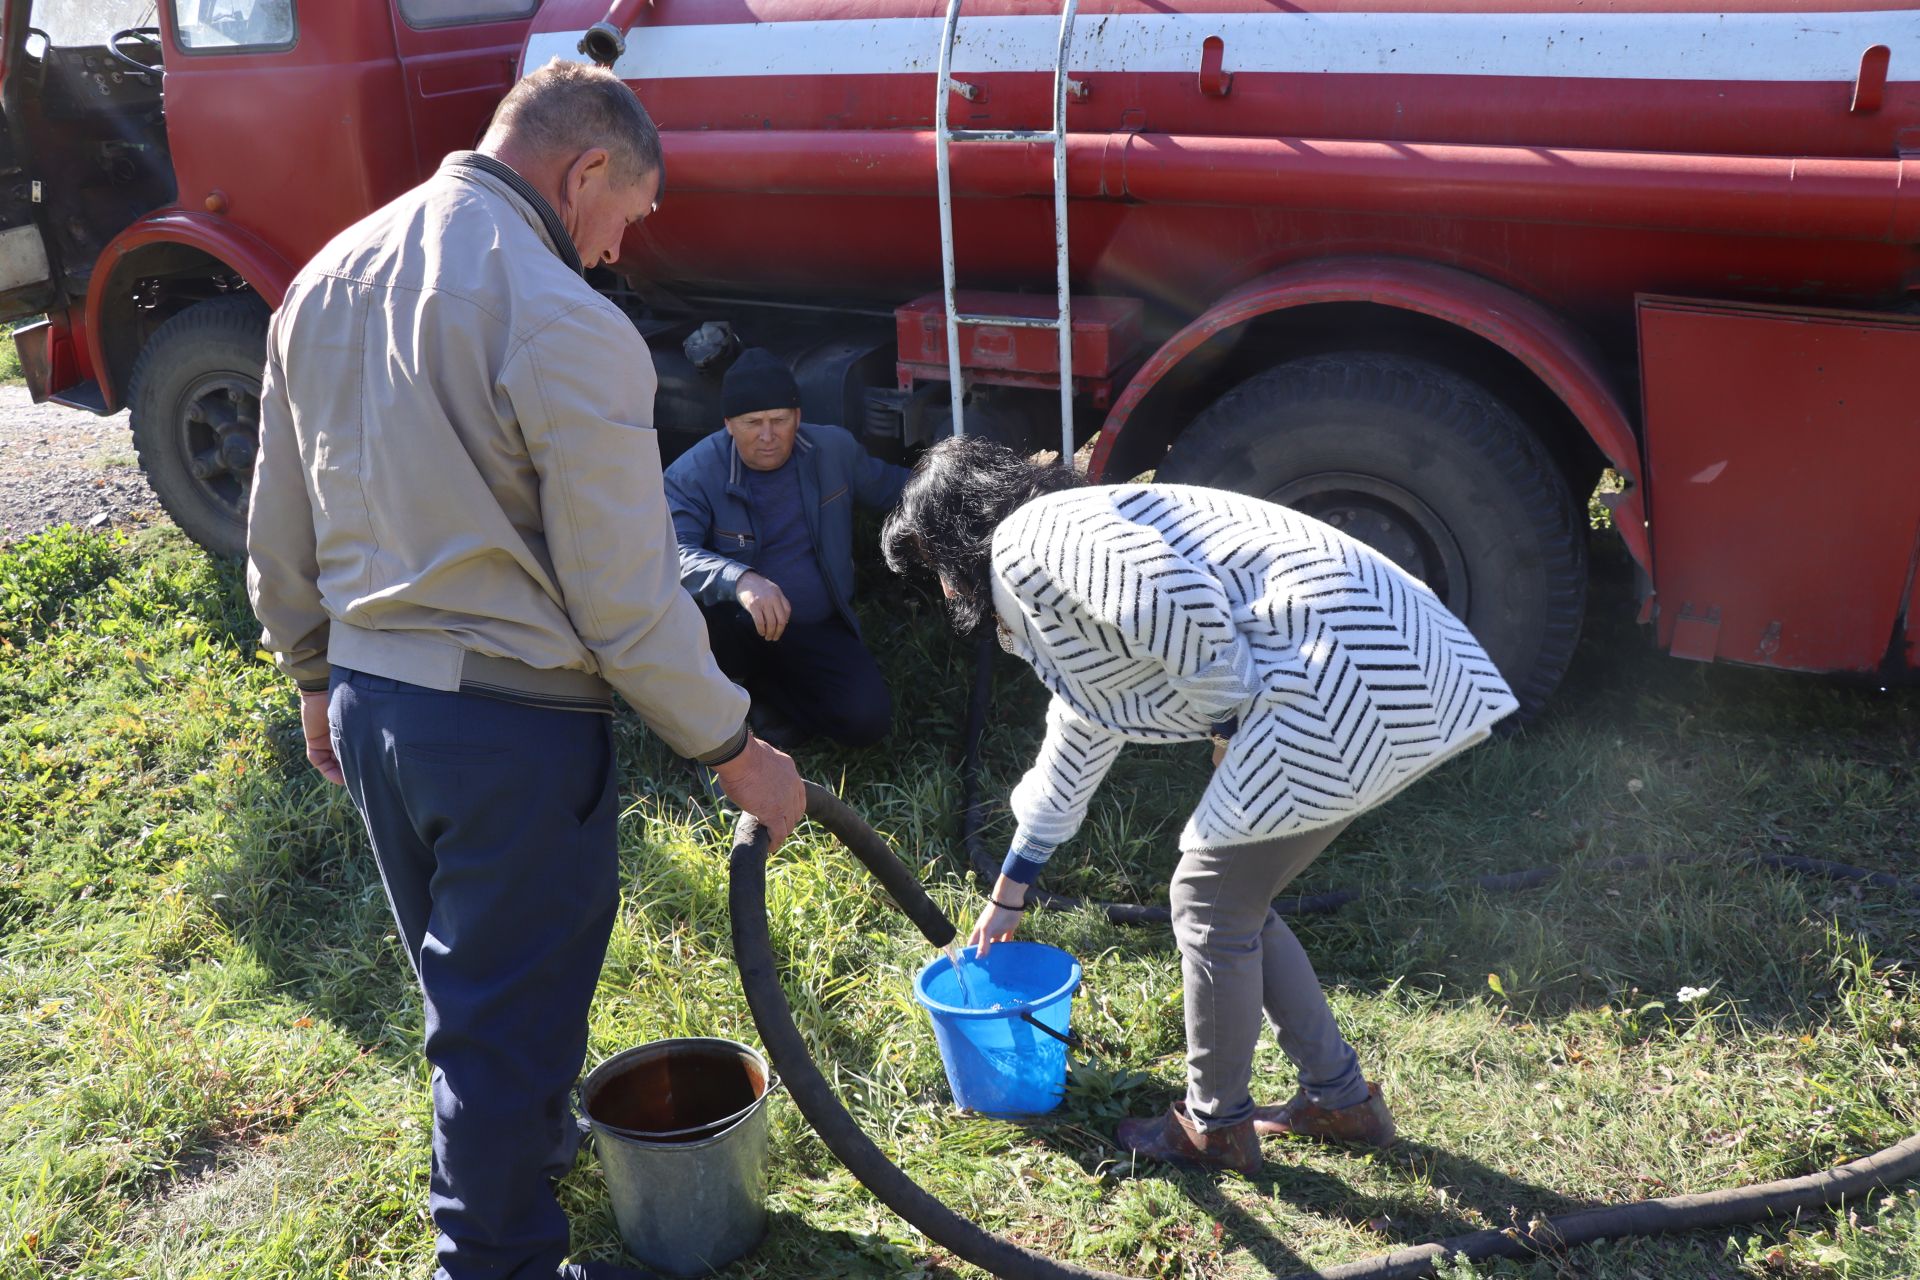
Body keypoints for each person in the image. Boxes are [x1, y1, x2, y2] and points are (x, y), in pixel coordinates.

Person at [245, 62, 804, 1280]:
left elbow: (278, 522)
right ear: (583, 169)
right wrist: (734, 745)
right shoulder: (564, 319)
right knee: (499, 1030)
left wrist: (307, 674)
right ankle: (490, 1259)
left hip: (374, 707)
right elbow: (624, 597)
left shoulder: (327, 277)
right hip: (509, 729)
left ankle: (525, 1171)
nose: (614, 250)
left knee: (481, 1003)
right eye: (627, 215)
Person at [881, 437, 1519, 1176]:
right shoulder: (1059, 563)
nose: (945, 588)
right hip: (1380, 659)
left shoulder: (1035, 538)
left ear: (951, 537)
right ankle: (1339, 1101)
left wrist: (1224, 721)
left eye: (933, 566)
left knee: (1209, 903)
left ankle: (1214, 1126)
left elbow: (1171, 599)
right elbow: (1084, 726)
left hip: (1342, 675)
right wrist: (1012, 888)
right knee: (1235, 903)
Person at [664, 348, 909, 749]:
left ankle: (766, 697)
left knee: (867, 721)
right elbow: (672, 555)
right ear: (728, 424)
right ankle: (715, 720)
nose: (767, 435)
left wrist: (971, 487)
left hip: (813, 627)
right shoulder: (691, 474)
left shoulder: (834, 450)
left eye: (779, 420)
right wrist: (740, 579)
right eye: (752, 423)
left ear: (797, 417)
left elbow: (894, 488)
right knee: (693, 626)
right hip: (734, 627)